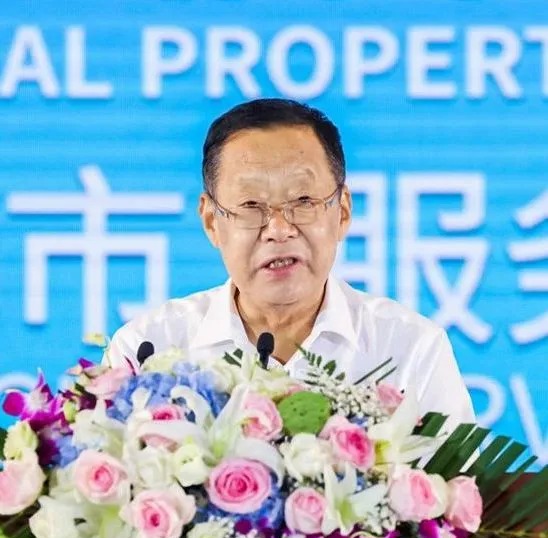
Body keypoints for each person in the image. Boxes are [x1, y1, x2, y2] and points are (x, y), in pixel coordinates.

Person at [105, 98, 475, 429]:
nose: (279, 230)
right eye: (251, 206)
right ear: (212, 221)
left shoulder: (410, 350)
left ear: (343, 211)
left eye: (304, 201)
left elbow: (460, 483)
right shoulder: (148, 350)